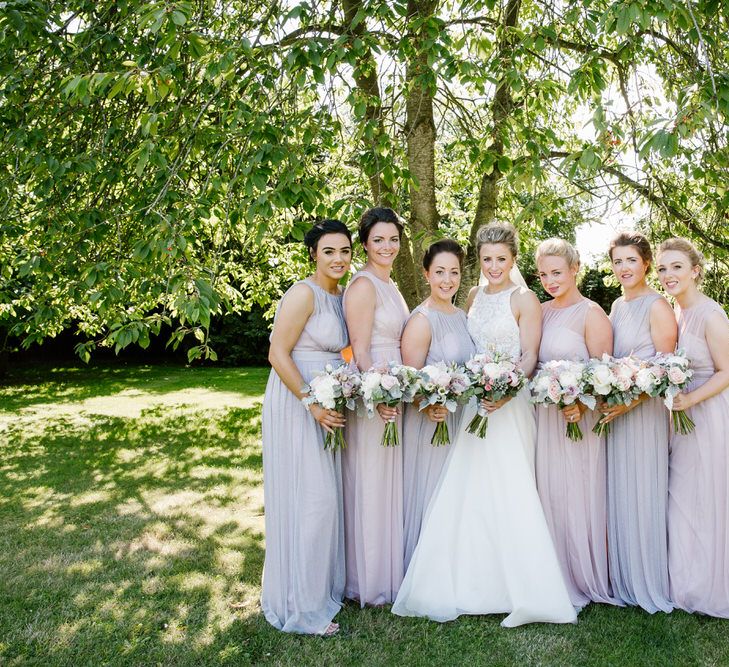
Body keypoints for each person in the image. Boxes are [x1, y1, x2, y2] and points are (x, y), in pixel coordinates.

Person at [392, 223, 577, 627]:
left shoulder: (524, 298)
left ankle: (524, 589)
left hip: (510, 404)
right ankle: (470, 582)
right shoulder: (472, 296)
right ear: (479, 260)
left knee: (510, 486)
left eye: (502, 259)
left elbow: (529, 354)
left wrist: (510, 389)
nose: (494, 266)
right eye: (487, 259)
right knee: (470, 487)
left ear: (513, 259)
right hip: (477, 403)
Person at [261, 219, 352, 635]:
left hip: (329, 400)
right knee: (312, 500)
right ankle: (301, 609)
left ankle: (321, 591)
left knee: (326, 500)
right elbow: (277, 353)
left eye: (345, 251)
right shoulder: (303, 293)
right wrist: (312, 402)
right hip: (298, 401)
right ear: (313, 253)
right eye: (329, 251)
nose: (337, 258)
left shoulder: (341, 296)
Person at [535, 238, 619, 609]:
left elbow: (604, 376)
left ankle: (583, 574)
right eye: (543, 273)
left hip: (579, 419)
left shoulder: (592, 314)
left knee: (578, 492)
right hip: (545, 417)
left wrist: (582, 406)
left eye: (557, 272)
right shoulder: (539, 311)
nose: (550, 280)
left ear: (575, 268)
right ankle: (549, 572)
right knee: (548, 491)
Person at [597, 231, 676, 613]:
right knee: (620, 489)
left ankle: (648, 579)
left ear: (645, 262)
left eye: (630, 260)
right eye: (617, 261)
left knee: (643, 489)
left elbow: (667, 369)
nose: (624, 268)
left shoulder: (657, 305)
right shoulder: (616, 305)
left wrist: (631, 402)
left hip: (644, 413)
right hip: (618, 411)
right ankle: (623, 577)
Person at [657, 237, 729, 618]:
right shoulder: (677, 311)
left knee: (706, 498)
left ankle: (707, 585)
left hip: (709, 415)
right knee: (683, 497)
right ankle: (683, 581)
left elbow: (727, 372)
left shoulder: (710, 314)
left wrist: (690, 399)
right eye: (663, 268)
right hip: (683, 417)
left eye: (677, 267)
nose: (668, 275)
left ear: (695, 271)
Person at [342, 206, 410, 606]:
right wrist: (378, 394)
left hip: (393, 388)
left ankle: (388, 571)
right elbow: (360, 348)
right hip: (375, 393)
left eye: (394, 239)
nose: (387, 246)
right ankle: (368, 581)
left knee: (388, 483)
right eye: (379, 239)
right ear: (365, 243)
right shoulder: (364, 285)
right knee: (370, 482)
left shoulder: (391, 285)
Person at [401, 239, 475, 572]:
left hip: (459, 421)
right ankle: (425, 569)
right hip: (432, 423)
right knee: (432, 492)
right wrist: (427, 404)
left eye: (454, 272)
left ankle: (455, 566)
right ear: (426, 274)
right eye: (440, 272)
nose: (447, 280)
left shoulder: (462, 316)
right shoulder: (421, 320)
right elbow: (410, 380)